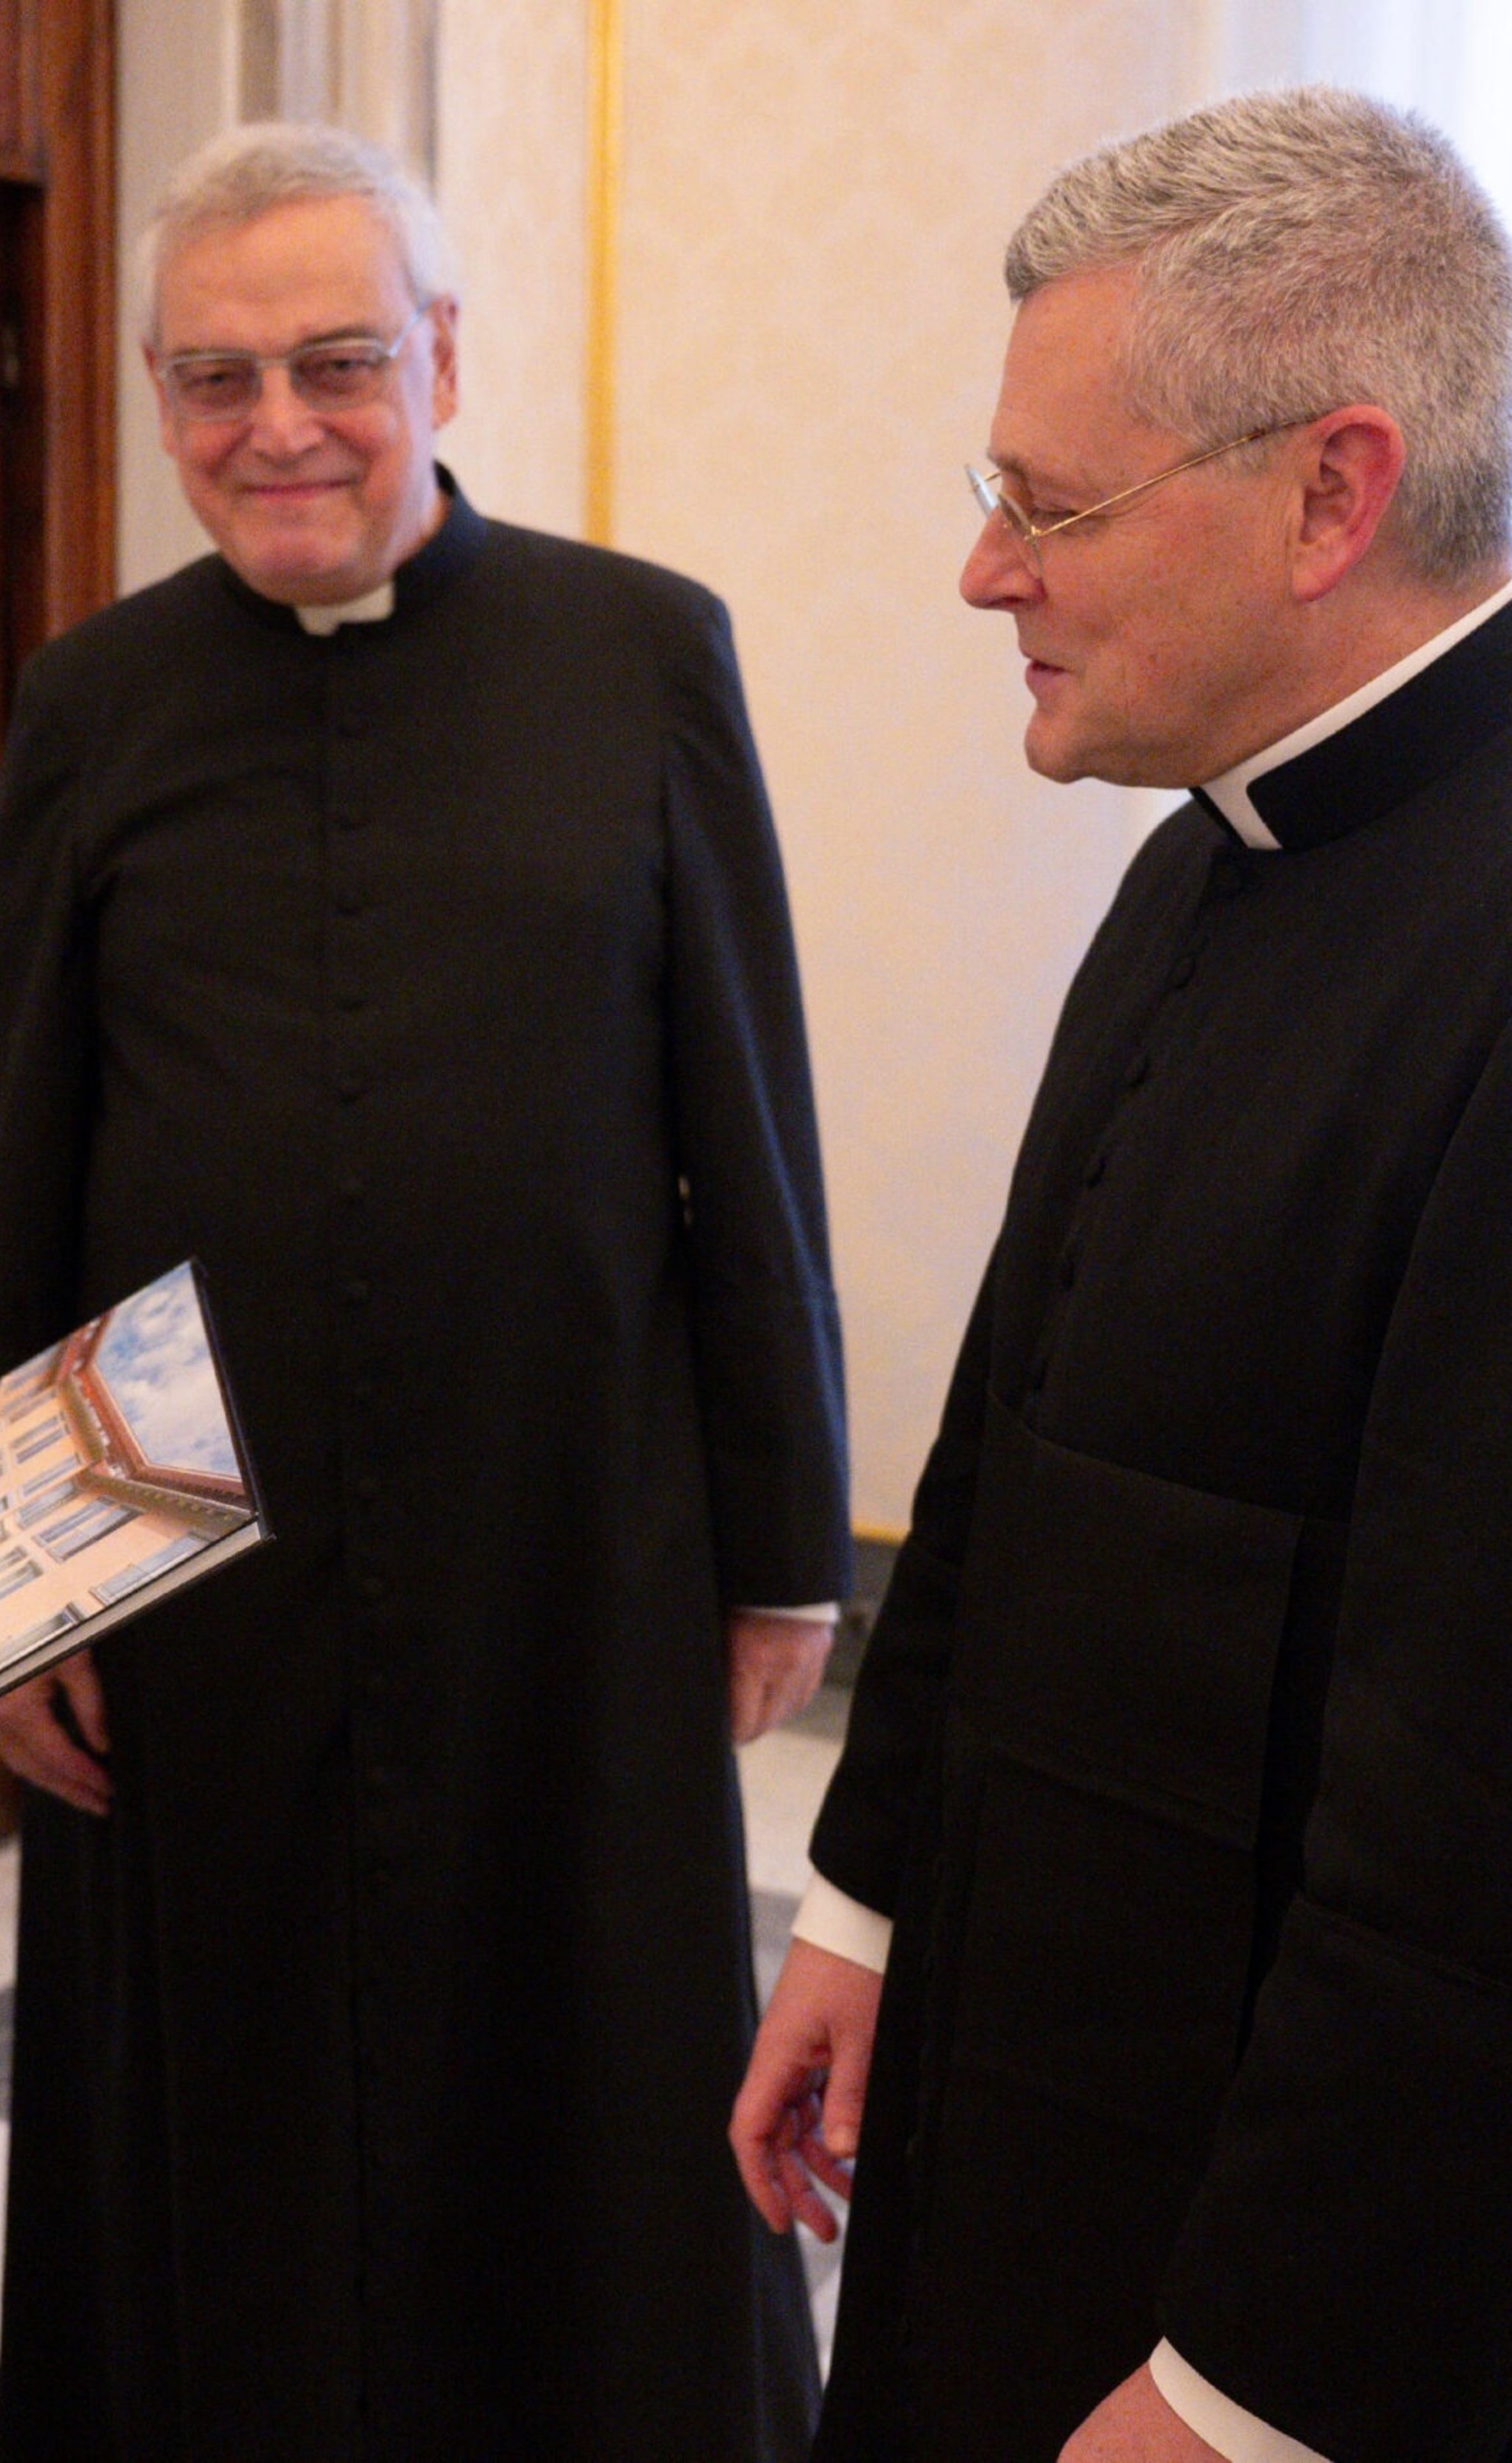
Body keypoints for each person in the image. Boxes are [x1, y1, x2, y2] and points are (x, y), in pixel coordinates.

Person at [0, 121, 851, 2462]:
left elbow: (740, 1122)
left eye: (337, 361)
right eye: (212, 376)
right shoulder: (92, 703)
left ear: (438, 359)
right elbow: (14, 1161)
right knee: (213, 2068)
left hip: (570, 1534)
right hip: (189, 1558)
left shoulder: (643, 657)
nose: (277, 426)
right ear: (158, 400)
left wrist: (779, 1540)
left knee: (577, 2054)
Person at [732, 86, 1512, 2463]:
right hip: (1016, 2092)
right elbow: (1018, 1425)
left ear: (1332, 490)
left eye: (1047, 508)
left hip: (1268, 2289)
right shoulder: (1204, 848)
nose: (988, 577)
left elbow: (1473, 1804)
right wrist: (867, 1910)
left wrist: (1249, 2382)